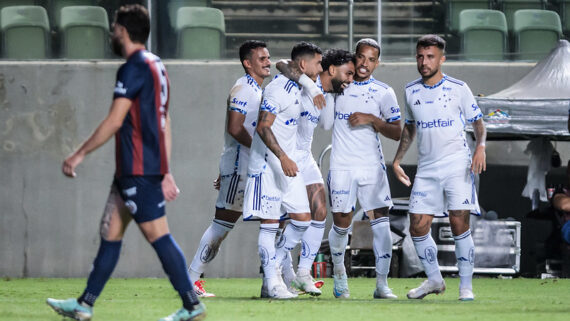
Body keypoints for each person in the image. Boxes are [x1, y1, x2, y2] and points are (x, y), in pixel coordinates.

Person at [46, 5, 205, 321]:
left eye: (115, 28)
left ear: (124, 31)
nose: (111, 33)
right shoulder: (157, 65)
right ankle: (84, 304)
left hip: (138, 169)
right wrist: (166, 168)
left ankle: (192, 305)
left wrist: (78, 153)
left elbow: (115, 120)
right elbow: (164, 120)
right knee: (110, 232)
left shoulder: (133, 67)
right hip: (137, 169)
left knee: (158, 236)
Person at [392, 34, 487, 301]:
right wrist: (398, 159)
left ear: (442, 59)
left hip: (457, 164)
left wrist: (480, 147)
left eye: (430, 56)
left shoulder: (459, 87)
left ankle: (466, 286)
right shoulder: (410, 90)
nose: (424, 61)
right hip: (427, 168)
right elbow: (410, 128)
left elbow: (478, 122)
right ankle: (435, 280)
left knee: (459, 222)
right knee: (418, 226)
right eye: (420, 56)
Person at [186, 40, 271, 298]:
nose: (268, 62)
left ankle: (273, 281)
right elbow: (235, 128)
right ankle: (190, 280)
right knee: (222, 224)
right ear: (248, 63)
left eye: (268, 57)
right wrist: (261, 149)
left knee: (277, 219)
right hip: (240, 166)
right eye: (262, 59)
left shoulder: (255, 89)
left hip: (248, 167)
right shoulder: (244, 89)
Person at [242, 42, 323, 299]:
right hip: (267, 165)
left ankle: (274, 268)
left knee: (302, 220)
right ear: (303, 65)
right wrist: (283, 156)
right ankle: (273, 284)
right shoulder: (278, 89)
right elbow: (263, 127)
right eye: (318, 63)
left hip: (287, 167)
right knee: (270, 224)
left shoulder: (301, 87)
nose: (320, 68)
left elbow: (284, 65)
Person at [324, 38, 402, 300]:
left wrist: (372, 119)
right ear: (354, 57)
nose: (365, 63)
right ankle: (338, 273)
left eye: (371, 59)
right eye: (361, 57)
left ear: (377, 63)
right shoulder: (338, 87)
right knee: (341, 224)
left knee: (381, 224)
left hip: (372, 166)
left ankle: (382, 285)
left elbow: (397, 131)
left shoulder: (384, 92)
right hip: (342, 166)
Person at [274, 49, 355, 296]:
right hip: (285, 157)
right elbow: (281, 63)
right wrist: (310, 86)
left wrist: (332, 95)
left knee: (320, 209)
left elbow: (327, 124)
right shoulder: (305, 79)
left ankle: (303, 273)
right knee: (290, 221)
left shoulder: (330, 96)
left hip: (305, 156)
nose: (351, 79)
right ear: (332, 70)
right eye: (348, 73)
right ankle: (273, 269)